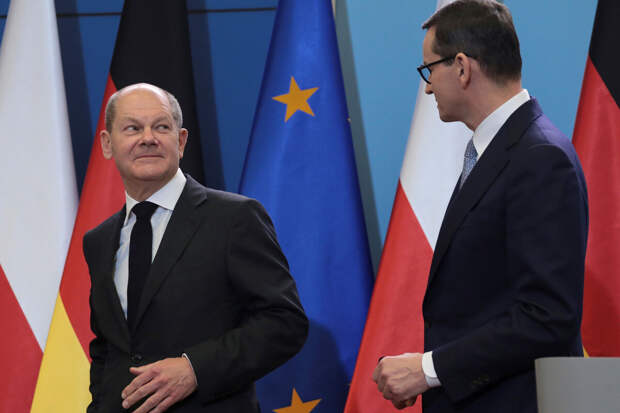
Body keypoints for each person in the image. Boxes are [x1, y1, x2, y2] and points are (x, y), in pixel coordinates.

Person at [372, 1, 588, 412]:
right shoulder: (501, 149)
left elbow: (547, 317)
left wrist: (428, 369)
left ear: (461, 67)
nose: (428, 87)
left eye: (428, 69)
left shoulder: (540, 158)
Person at [84, 83, 308, 413]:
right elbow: (107, 348)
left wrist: (195, 368)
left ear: (181, 140)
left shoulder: (234, 218)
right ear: (107, 144)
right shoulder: (98, 240)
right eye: (132, 128)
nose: (148, 138)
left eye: (161, 127)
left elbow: (284, 323)